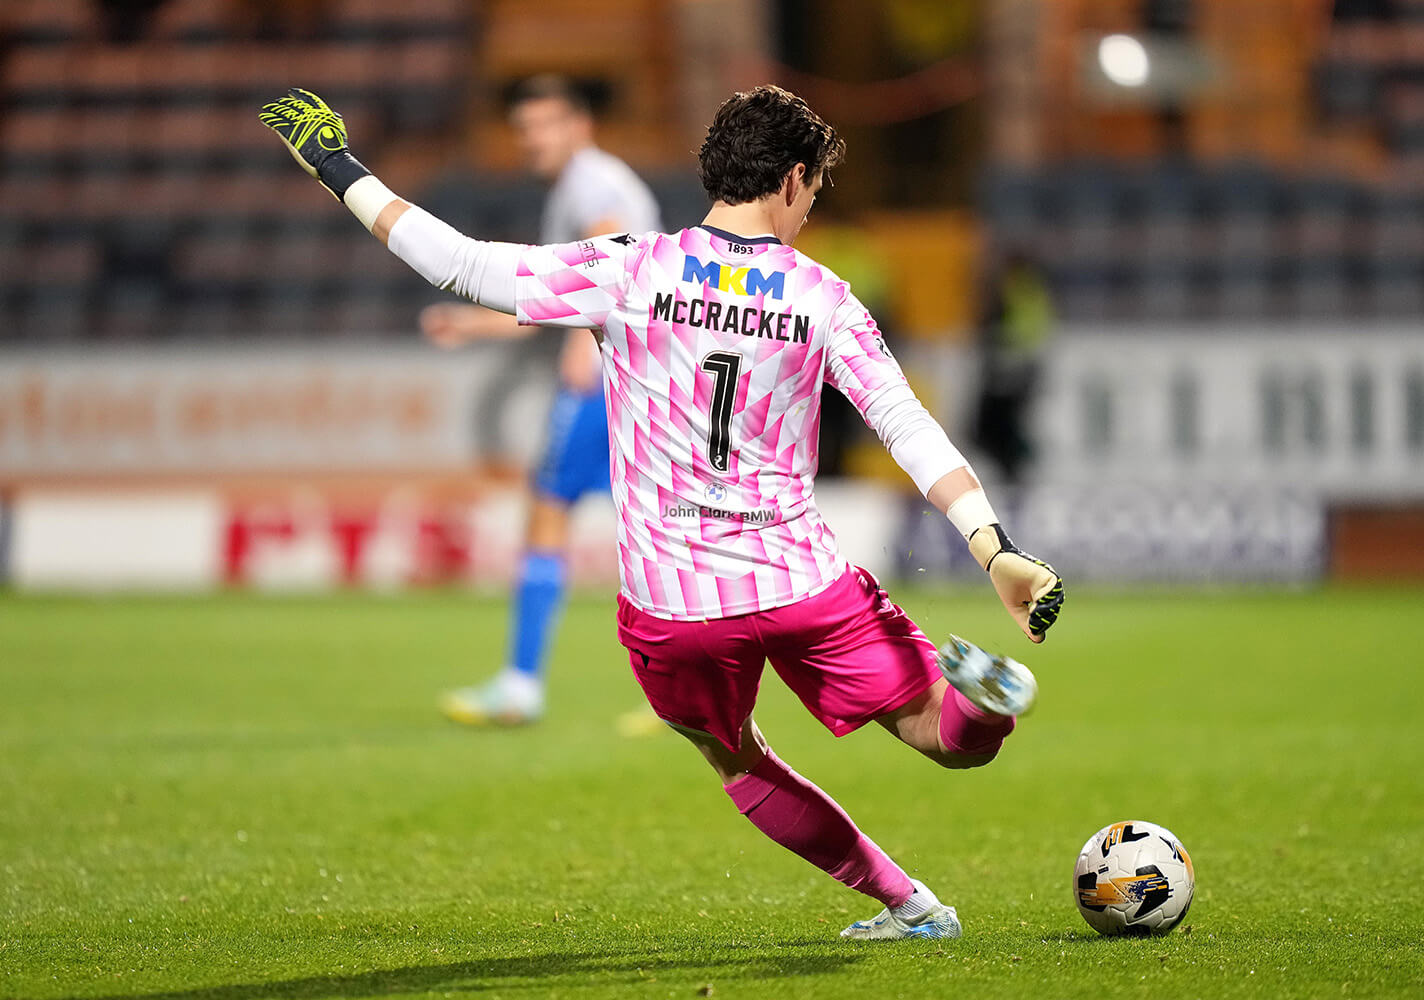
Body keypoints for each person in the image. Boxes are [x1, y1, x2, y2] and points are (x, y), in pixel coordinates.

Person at [260, 84, 1064, 940]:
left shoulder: (628, 268)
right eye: (814, 194)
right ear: (792, 181)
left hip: (675, 607)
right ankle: (990, 703)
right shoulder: (822, 296)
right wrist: (990, 543)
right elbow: (905, 425)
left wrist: (338, 166)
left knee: (733, 755)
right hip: (799, 581)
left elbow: (455, 260)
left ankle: (907, 902)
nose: (809, 212)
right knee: (940, 730)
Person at [419, 75, 662, 726]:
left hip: (604, 379)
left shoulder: (591, 185)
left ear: (580, 125)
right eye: (524, 128)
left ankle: (522, 686)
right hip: (639, 376)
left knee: (554, 513)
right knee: (651, 531)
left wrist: (580, 348)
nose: (533, 140)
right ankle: (689, 691)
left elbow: (602, 276)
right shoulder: (597, 181)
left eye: (546, 124)